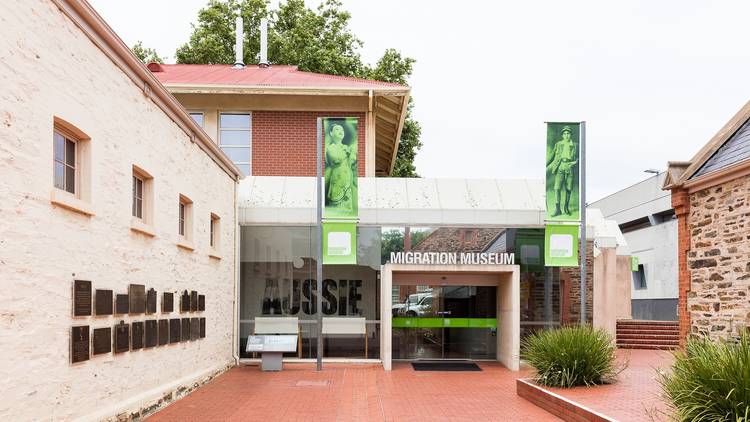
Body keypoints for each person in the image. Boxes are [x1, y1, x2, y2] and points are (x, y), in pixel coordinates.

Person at [325, 122, 357, 213]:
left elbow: (352, 161)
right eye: (337, 129)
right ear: (331, 133)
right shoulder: (330, 148)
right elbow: (336, 159)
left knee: (347, 209)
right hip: (337, 181)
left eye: (342, 130)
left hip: (347, 181)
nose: (340, 131)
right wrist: (347, 152)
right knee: (337, 208)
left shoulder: (347, 147)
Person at [546, 125, 578, 217]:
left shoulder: (575, 145)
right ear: (562, 135)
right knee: (557, 188)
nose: (566, 135)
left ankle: (566, 208)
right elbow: (552, 156)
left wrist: (574, 163)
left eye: (568, 133)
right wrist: (544, 165)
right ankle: (557, 209)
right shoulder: (558, 144)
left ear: (570, 135)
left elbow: (580, 158)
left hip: (569, 167)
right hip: (560, 167)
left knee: (568, 189)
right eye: (565, 133)